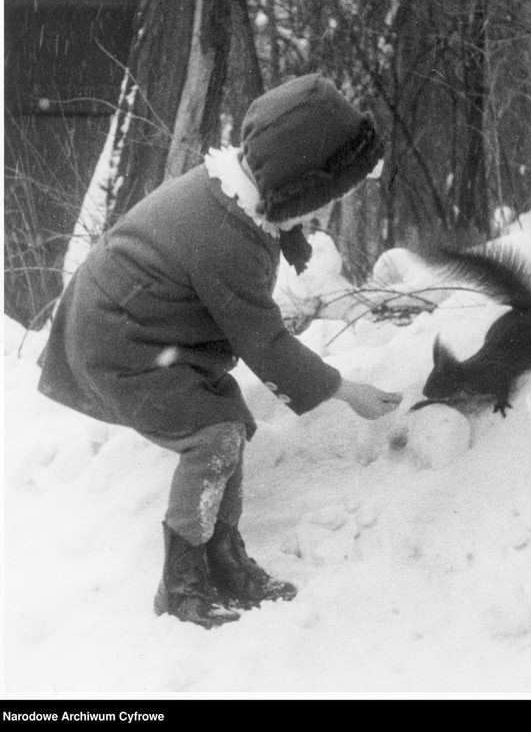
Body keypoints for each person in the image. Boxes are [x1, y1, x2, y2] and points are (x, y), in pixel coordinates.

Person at [37, 73, 402, 630]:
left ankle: (225, 562)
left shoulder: (238, 194)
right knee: (214, 437)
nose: (322, 212)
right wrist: (346, 392)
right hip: (118, 344)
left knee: (228, 421)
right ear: (297, 184)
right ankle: (181, 588)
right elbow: (265, 341)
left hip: (144, 331)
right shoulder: (224, 233)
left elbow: (268, 241)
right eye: (323, 198)